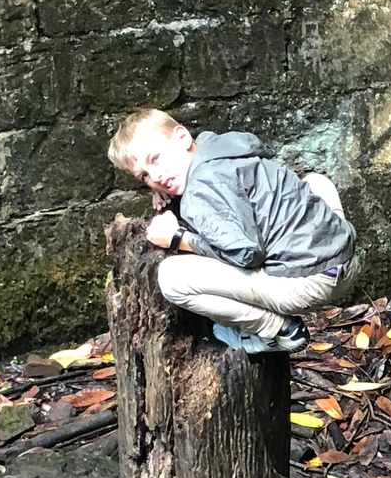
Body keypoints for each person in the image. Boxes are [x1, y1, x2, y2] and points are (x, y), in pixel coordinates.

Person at [108, 107, 357, 358]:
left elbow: (246, 254)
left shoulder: (200, 192)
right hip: (345, 257)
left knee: (171, 278)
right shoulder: (225, 146)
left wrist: (177, 238)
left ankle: (280, 331)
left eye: (156, 158)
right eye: (145, 176)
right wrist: (166, 183)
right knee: (315, 181)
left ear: (182, 137)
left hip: (310, 282)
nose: (156, 177)